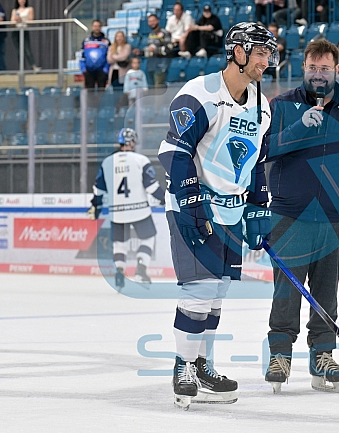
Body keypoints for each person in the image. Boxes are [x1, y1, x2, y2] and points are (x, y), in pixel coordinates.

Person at [157, 22, 278, 408]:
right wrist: (191, 202)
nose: (266, 60)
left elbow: (257, 161)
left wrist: (259, 205)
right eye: (259, 51)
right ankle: (183, 366)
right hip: (195, 208)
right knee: (198, 291)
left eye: (269, 53)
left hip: (232, 213)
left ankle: (203, 364)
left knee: (217, 294)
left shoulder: (263, 106)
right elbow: (173, 153)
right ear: (237, 52)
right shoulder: (200, 93)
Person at [263, 39, 339, 393]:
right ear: (303, 69)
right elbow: (262, 151)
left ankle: (322, 356)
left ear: (337, 69)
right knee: (287, 290)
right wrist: (299, 127)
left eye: (324, 69)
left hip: (335, 217)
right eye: (312, 68)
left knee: (325, 291)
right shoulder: (280, 107)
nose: (318, 75)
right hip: (289, 215)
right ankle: (280, 355)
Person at [88, 128, 165, 289]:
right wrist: (165, 199)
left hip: (117, 212)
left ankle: (120, 271)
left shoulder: (108, 162)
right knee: (148, 238)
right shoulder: (140, 160)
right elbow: (151, 187)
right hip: (139, 210)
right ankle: (141, 270)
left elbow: (98, 189)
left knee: (119, 243)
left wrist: (96, 206)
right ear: (133, 142)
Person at [133, 14, 171, 86]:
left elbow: (168, 49)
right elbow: (149, 50)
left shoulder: (164, 33)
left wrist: (155, 50)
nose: (152, 23)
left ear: (158, 21)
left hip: (161, 65)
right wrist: (140, 52)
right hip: (151, 65)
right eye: (150, 21)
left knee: (158, 89)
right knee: (152, 89)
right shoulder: (151, 34)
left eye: (153, 21)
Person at [10, 0, 39, 72]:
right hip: (16, 31)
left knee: (27, 49)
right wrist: (16, 20)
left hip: (24, 30)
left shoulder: (29, 9)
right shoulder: (15, 10)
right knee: (18, 51)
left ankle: (33, 66)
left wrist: (22, 20)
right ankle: (22, 68)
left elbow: (31, 20)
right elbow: (12, 22)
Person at [81, 19, 110, 89]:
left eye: (98, 26)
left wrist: (106, 69)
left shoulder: (106, 41)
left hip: (102, 71)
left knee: (101, 93)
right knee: (90, 93)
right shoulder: (86, 41)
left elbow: (109, 57)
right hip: (89, 71)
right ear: (92, 27)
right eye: (95, 26)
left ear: (101, 27)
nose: (96, 28)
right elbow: (82, 56)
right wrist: (83, 69)